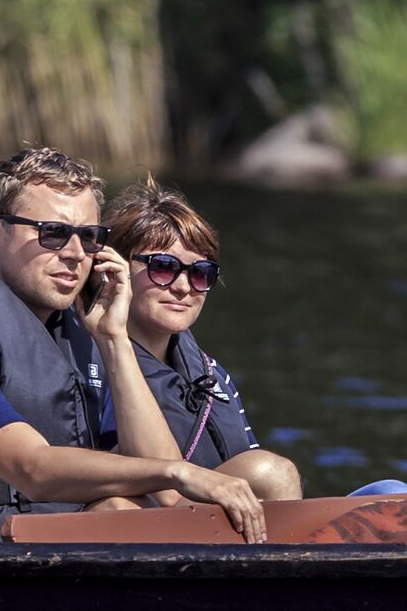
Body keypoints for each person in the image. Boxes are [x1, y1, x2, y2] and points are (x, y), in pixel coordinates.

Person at [0, 143, 269, 542]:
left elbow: (164, 494)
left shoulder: (86, 338)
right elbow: (31, 470)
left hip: (59, 536)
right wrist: (180, 471)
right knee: (120, 510)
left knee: (170, 499)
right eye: (53, 234)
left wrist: (114, 341)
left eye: (90, 237)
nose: (76, 254)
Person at [101, 180, 306, 505]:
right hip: (154, 527)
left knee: (391, 492)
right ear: (115, 269)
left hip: (226, 524)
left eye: (200, 273)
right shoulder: (93, 362)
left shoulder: (212, 373)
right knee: (269, 471)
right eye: (164, 267)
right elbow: (156, 492)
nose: (183, 287)